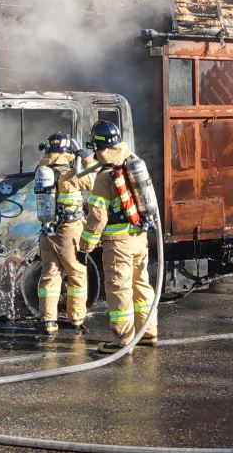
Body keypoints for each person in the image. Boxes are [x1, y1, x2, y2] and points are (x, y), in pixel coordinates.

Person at [78, 120, 158, 354]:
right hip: (139, 237)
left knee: (119, 289)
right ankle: (147, 332)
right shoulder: (133, 163)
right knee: (141, 284)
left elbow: (97, 217)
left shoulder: (105, 177)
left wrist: (85, 247)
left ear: (98, 147)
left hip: (118, 243)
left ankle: (123, 341)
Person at [35, 132, 95, 336]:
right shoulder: (70, 173)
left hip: (47, 231)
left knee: (49, 275)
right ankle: (76, 319)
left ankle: (48, 321)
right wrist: (86, 158)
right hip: (69, 231)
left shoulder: (42, 171)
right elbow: (93, 182)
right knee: (76, 274)